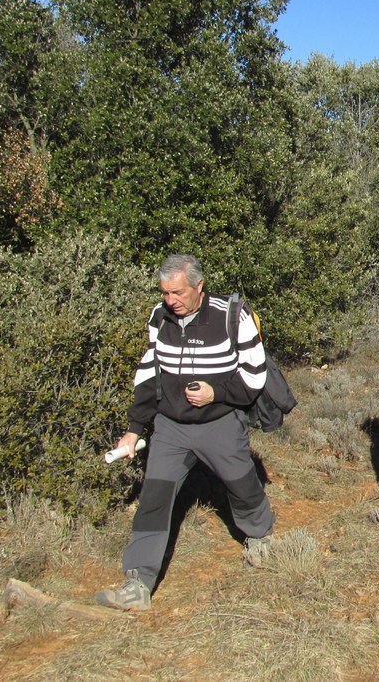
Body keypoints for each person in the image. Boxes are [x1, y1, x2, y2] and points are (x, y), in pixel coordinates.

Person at [95, 254, 275, 611]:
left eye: (177, 293)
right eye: (165, 293)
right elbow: (149, 373)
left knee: (241, 484)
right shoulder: (159, 317)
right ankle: (138, 583)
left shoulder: (231, 316)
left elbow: (255, 375)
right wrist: (133, 429)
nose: (170, 301)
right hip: (171, 427)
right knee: (154, 497)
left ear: (199, 286)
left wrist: (216, 393)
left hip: (220, 424)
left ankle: (260, 536)